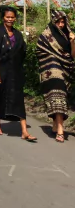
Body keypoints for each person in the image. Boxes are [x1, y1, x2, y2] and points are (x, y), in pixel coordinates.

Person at [0, 6, 37, 142]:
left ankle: (24, 131)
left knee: (18, 99)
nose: (10, 19)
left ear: (15, 18)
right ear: (3, 17)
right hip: (1, 71)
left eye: (12, 17)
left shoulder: (18, 34)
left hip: (15, 72)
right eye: (8, 17)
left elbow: (23, 51)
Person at [36, 10, 75, 143]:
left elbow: (73, 56)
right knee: (57, 97)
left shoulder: (69, 35)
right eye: (58, 21)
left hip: (66, 72)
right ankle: (60, 130)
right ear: (53, 21)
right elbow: (39, 50)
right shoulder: (46, 35)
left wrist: (73, 41)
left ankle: (55, 124)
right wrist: (51, 59)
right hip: (51, 72)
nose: (60, 24)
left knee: (62, 98)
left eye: (63, 21)